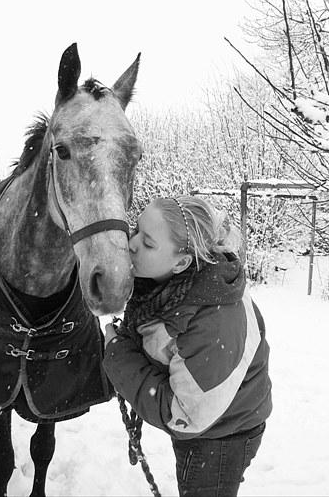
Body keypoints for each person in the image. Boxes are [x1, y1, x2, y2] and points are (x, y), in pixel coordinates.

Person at [103, 195, 272, 497]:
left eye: (149, 243)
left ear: (181, 262)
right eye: (136, 229)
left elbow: (185, 416)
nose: (132, 243)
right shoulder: (177, 287)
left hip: (221, 438)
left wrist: (118, 354)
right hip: (212, 422)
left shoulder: (212, 318)